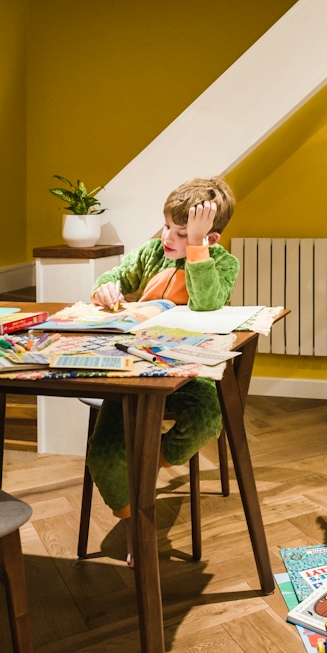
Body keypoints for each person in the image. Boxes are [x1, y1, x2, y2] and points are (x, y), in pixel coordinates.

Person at [87, 177, 239, 527]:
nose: (167, 237)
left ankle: (151, 461)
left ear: (209, 238)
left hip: (188, 370)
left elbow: (207, 303)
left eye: (182, 233)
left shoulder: (223, 262)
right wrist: (105, 288)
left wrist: (198, 249)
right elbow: (113, 279)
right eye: (167, 226)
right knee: (104, 458)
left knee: (205, 419)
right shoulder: (152, 252)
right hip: (133, 368)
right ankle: (134, 521)